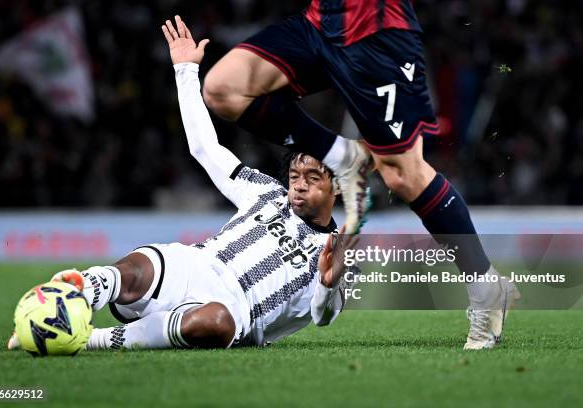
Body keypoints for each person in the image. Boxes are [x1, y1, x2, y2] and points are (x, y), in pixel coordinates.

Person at [8, 16, 358, 351]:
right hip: (194, 266)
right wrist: (186, 70)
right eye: (295, 176)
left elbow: (322, 317)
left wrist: (329, 284)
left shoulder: (338, 251)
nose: (298, 186)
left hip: (235, 309)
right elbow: (205, 148)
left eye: (312, 179)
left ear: (337, 186)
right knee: (133, 269)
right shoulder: (265, 192)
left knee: (216, 322)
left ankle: (91, 339)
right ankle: (60, 304)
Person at [201, 2, 519, 350]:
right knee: (223, 89)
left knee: (403, 176)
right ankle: (342, 155)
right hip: (322, 23)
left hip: (377, 31)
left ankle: (484, 285)